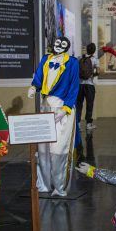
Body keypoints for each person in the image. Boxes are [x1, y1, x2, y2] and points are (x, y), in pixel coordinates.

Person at [28, 36, 79, 196]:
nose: (59, 45)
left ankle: (59, 186)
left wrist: (66, 107)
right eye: (57, 42)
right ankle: (44, 184)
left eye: (63, 44)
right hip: (45, 106)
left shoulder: (72, 62)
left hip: (62, 108)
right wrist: (33, 87)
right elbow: (38, 77)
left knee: (59, 149)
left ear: (67, 47)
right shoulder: (45, 59)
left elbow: (74, 86)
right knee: (43, 149)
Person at [77, 43, 99, 130]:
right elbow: (97, 72)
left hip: (80, 85)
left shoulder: (79, 58)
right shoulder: (95, 60)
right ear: (94, 51)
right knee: (89, 104)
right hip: (89, 85)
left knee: (79, 104)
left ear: (86, 49)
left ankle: (78, 124)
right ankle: (88, 124)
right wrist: (91, 74)